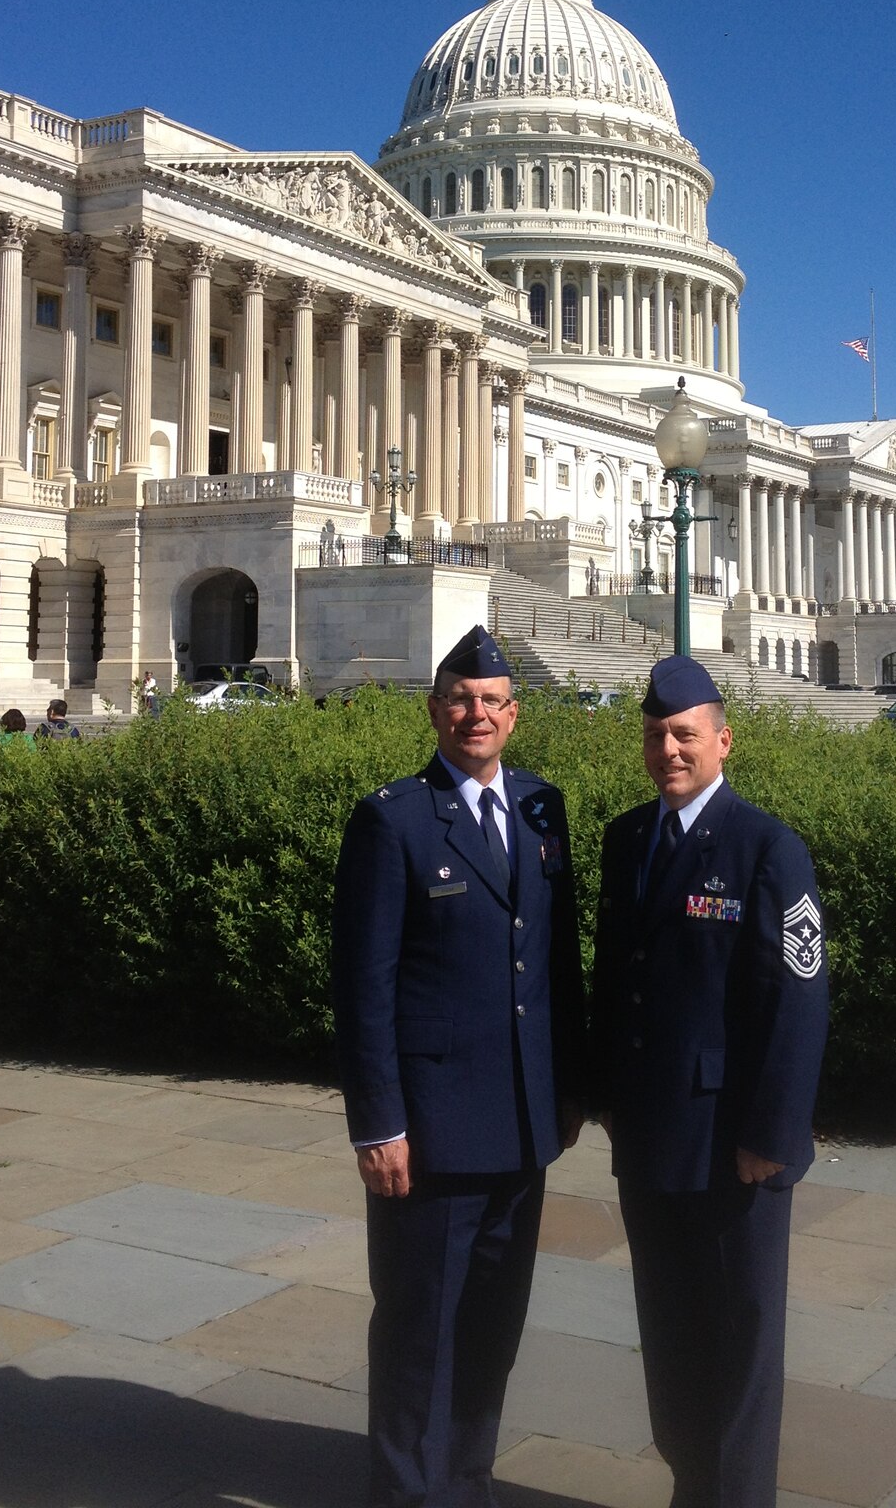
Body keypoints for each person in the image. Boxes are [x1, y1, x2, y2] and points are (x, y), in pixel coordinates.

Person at [333, 625, 585, 1508]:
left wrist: (567, 1095)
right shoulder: (394, 820)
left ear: (514, 717)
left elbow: (558, 969)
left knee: (491, 1328)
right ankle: (406, 1492)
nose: (475, 714)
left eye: (491, 702)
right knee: (418, 1328)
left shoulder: (542, 810)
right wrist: (380, 1121)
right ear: (435, 711)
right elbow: (364, 987)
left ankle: (466, 1481)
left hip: (522, 1123)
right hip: (432, 1130)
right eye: (460, 700)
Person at [589, 655, 830, 1508]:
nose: (669, 750)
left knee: (739, 1344)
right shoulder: (629, 839)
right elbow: (619, 977)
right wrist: (605, 1094)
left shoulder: (768, 847)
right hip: (651, 1134)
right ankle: (694, 1487)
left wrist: (774, 1134)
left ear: (723, 741)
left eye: (685, 734)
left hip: (735, 1142)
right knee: (673, 1333)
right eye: (656, 735)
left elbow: (798, 1002)